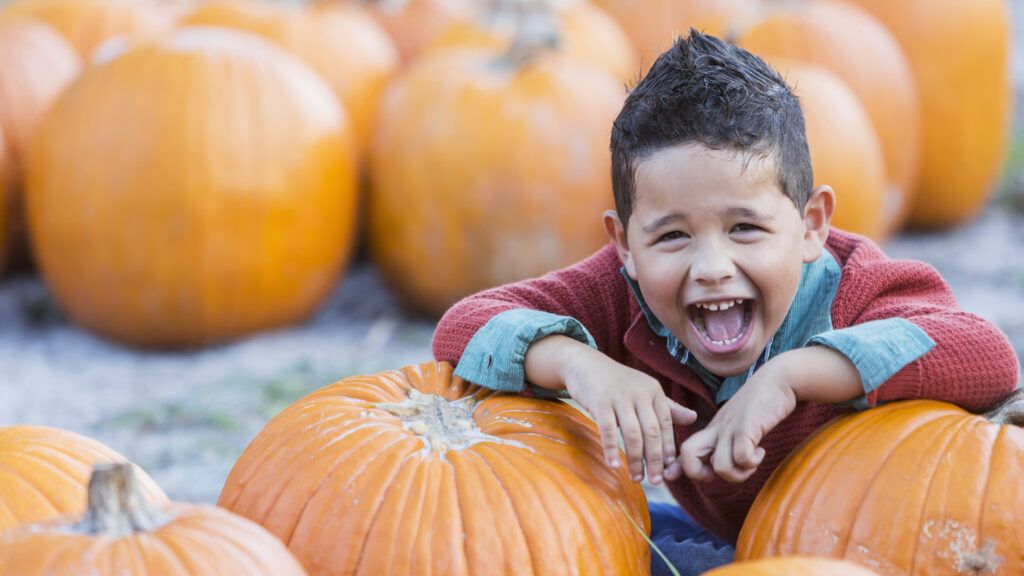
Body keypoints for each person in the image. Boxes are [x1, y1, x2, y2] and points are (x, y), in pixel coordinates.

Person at [431, 30, 1020, 576]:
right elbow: (464, 326)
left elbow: (985, 354)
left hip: (868, 549)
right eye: (672, 236)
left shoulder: (857, 284)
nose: (712, 268)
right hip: (725, 540)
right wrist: (585, 368)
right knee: (602, 539)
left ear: (811, 224)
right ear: (625, 244)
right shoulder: (617, 290)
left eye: (744, 228)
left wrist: (793, 377)